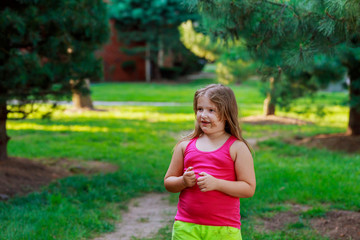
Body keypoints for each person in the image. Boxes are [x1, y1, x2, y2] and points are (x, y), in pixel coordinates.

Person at [164, 84, 256, 240]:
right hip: (186, 226)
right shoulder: (185, 146)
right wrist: (183, 181)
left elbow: (248, 188)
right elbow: (168, 182)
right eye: (200, 109)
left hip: (224, 229)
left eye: (211, 110)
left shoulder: (237, 148)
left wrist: (217, 184)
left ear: (226, 114)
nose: (203, 115)